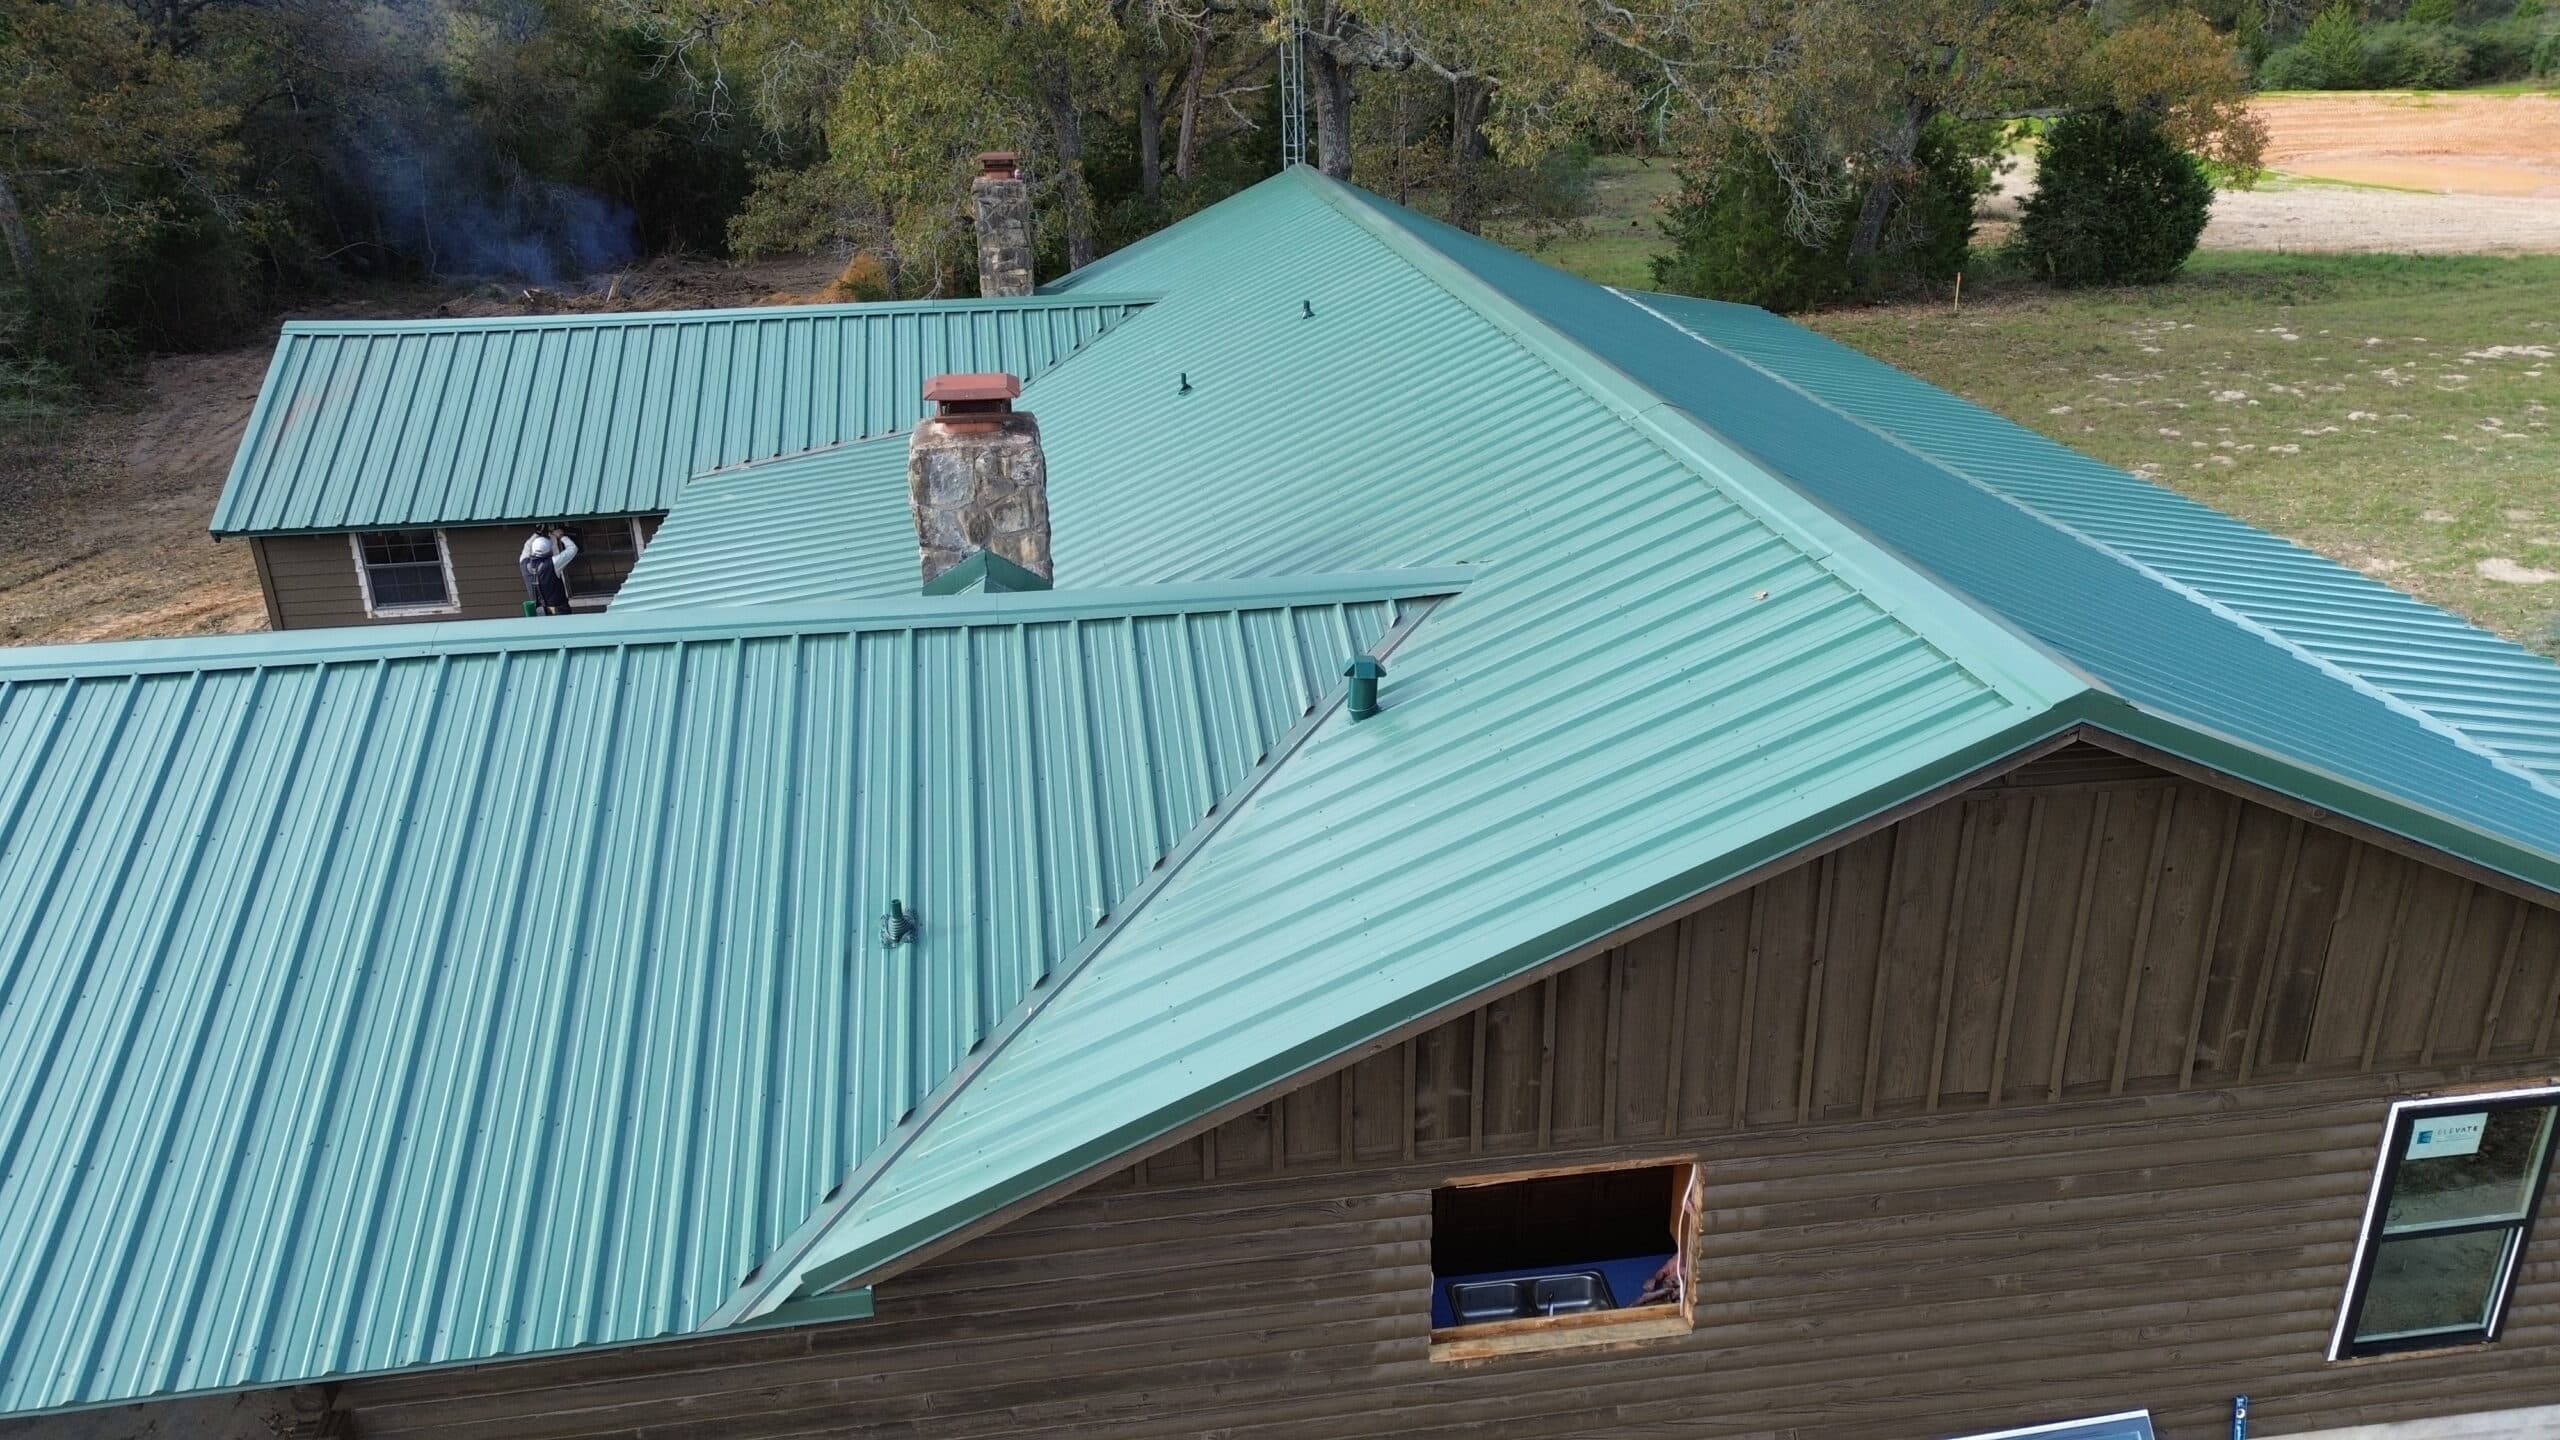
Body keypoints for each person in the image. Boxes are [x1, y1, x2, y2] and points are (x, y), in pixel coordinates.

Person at [519, 525, 580, 616]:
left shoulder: (523, 563)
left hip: (539, 615)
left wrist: (537, 534)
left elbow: (527, 546)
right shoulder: (552, 564)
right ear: (549, 551)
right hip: (559, 613)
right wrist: (561, 536)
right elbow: (572, 549)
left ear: (533, 550)